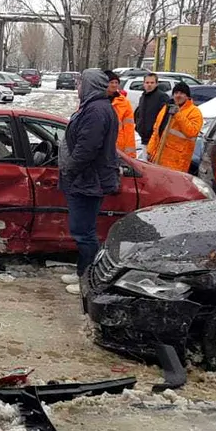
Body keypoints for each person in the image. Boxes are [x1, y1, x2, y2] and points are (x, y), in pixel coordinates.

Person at [58, 68, 119, 294]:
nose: (78, 88)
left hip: (87, 180)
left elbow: (87, 148)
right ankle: (82, 271)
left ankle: (87, 278)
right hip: (84, 179)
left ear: (91, 85)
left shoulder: (96, 110)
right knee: (82, 230)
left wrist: (70, 170)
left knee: (84, 231)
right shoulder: (94, 107)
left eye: (81, 83)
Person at [145, 82, 202, 172]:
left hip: (176, 162)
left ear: (187, 96)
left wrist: (178, 114)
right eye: (176, 93)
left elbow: (192, 132)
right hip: (158, 158)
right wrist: (150, 151)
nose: (178, 96)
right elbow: (156, 131)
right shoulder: (166, 108)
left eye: (182, 93)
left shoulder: (194, 112)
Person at [134, 73, 169, 159]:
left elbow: (165, 118)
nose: (149, 85)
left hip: (156, 139)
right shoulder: (143, 97)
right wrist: (138, 127)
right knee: (145, 163)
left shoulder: (162, 97)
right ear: (144, 83)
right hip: (144, 137)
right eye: (147, 82)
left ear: (156, 84)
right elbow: (139, 114)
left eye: (152, 83)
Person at [106, 70, 137, 158]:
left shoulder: (124, 102)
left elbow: (129, 129)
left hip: (118, 146)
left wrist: (130, 155)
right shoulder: (97, 99)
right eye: (111, 82)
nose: (114, 85)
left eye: (116, 82)